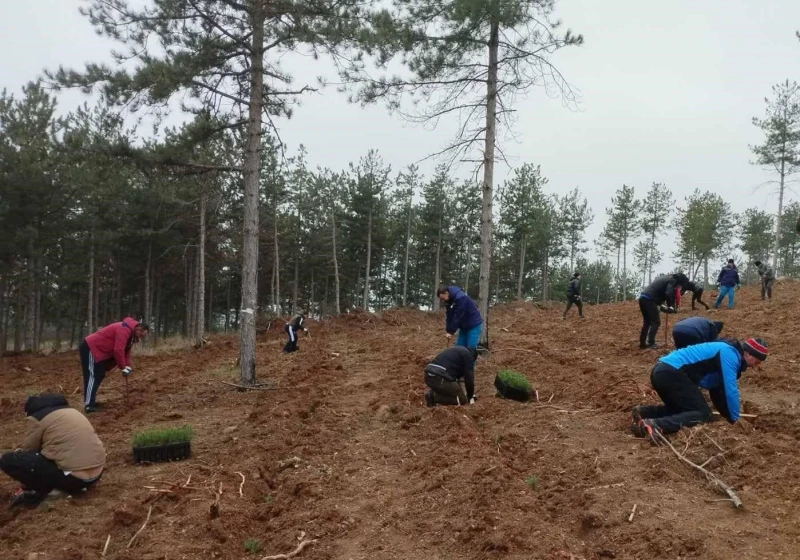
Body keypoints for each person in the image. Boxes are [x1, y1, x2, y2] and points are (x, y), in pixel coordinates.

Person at [631, 337, 767, 441]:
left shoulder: (725, 350)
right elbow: (729, 390)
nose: (756, 365)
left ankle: (646, 414)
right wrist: (736, 419)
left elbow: (717, 391)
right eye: (757, 361)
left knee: (685, 411)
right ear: (748, 354)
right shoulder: (730, 354)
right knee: (703, 414)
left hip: (662, 370)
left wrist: (728, 418)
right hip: (672, 372)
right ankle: (656, 425)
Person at [0, 394, 105, 508]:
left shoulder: (38, 417)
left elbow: (29, 450)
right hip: (97, 473)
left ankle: (42, 491)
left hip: (73, 479)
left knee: (8, 460)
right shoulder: (72, 411)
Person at [80, 317, 149, 413]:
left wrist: (127, 366)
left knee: (99, 374)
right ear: (138, 329)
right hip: (91, 348)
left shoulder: (132, 336)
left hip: (100, 351)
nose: (141, 337)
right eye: (141, 335)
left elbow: (126, 351)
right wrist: (122, 367)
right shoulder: (124, 330)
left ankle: (91, 401)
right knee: (93, 376)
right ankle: (89, 405)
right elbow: (118, 350)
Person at [637, 273, 689, 350]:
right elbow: (668, 293)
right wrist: (671, 306)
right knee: (656, 322)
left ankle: (642, 343)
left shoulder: (667, 278)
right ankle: (651, 343)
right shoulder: (672, 280)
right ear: (680, 281)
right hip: (649, 299)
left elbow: (659, 299)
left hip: (643, 298)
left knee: (647, 322)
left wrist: (666, 308)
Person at [437, 285, 483, 350]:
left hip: (474, 324)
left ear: (446, 293)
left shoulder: (460, 297)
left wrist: (451, 332)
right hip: (464, 326)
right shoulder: (449, 301)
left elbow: (458, 316)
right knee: (459, 349)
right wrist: (448, 330)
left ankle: (471, 360)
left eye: (443, 299)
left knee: (470, 349)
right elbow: (449, 316)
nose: (443, 301)